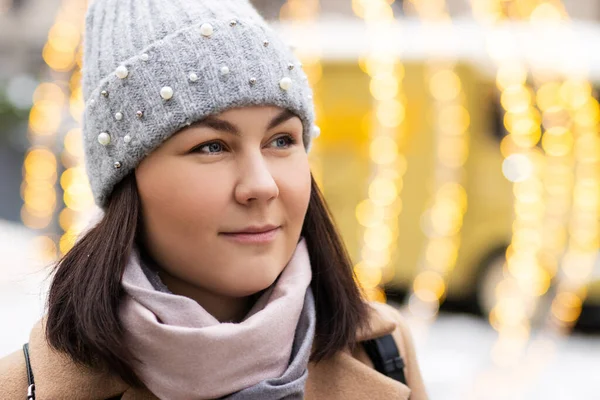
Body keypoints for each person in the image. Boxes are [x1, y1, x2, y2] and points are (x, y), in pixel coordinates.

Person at [0, 0, 427, 399]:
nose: (262, 185)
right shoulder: (23, 387)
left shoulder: (383, 351)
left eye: (281, 140)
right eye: (211, 147)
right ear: (127, 179)